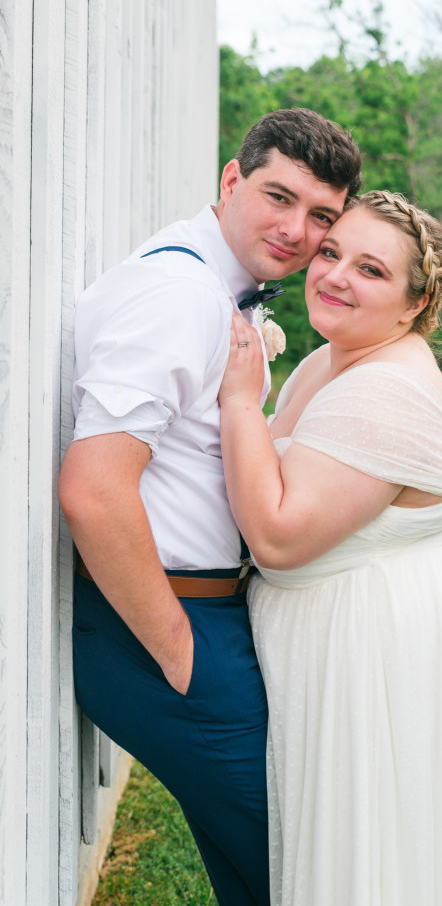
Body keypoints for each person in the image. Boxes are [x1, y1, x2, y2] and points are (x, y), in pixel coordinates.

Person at [58, 108, 362, 906]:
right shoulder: (178, 294)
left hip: (210, 621)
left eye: (322, 216)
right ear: (231, 180)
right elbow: (93, 489)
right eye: (278, 197)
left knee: (265, 879)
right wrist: (178, 651)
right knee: (310, 878)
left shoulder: (213, 288)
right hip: (173, 631)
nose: (297, 231)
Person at [218, 190, 442, 906]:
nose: (333, 275)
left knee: (385, 861)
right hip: (349, 644)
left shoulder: (385, 391)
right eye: (330, 253)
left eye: (369, 270)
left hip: (379, 659)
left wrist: (239, 403)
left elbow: (276, 533)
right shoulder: (330, 363)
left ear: (411, 306)